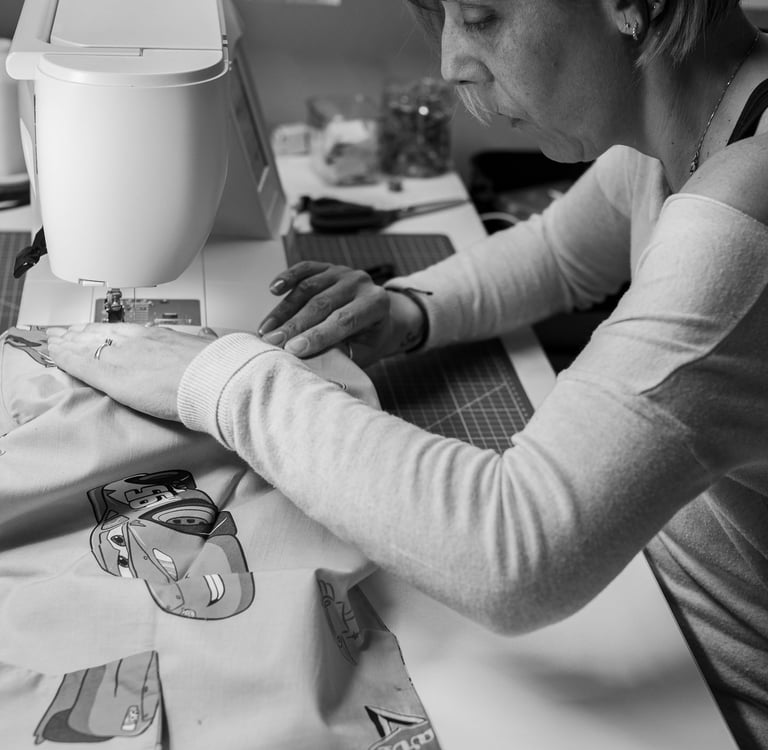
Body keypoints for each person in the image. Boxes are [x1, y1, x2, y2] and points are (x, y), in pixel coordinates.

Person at [48, 0, 768, 746]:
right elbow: (561, 252)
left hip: (705, 692)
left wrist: (223, 378)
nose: (452, 64)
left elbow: (515, 550)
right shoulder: (698, 115)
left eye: (483, 17)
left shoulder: (749, 205)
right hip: (641, 594)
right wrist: (406, 312)